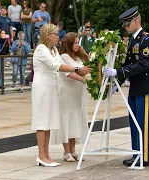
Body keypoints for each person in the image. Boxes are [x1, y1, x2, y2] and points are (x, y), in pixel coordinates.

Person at [31, 23, 92, 167]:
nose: (58, 37)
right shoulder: (41, 49)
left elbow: (60, 64)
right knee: (42, 122)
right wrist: (78, 69)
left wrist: (79, 69)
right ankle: (41, 156)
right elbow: (56, 66)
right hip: (43, 88)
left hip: (52, 88)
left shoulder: (52, 50)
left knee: (49, 122)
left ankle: (47, 155)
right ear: (48, 35)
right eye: (55, 35)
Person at [103, 6, 149, 167]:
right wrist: (116, 82)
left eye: (127, 23)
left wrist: (118, 71)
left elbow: (143, 64)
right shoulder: (133, 39)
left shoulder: (146, 39)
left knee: (142, 123)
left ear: (136, 21)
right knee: (134, 122)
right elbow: (128, 62)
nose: (125, 27)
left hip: (144, 86)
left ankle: (144, 156)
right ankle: (136, 153)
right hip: (135, 85)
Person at [50, 32, 89, 162]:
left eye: (79, 43)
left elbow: (87, 65)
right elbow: (69, 73)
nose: (78, 45)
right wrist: (84, 80)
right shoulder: (64, 57)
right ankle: (66, 152)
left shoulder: (77, 58)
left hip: (77, 95)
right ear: (69, 44)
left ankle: (73, 150)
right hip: (67, 95)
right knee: (66, 122)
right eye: (76, 43)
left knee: (75, 122)